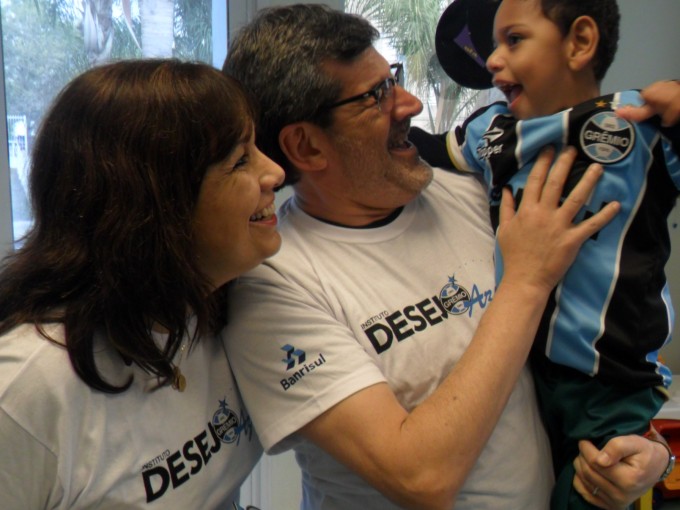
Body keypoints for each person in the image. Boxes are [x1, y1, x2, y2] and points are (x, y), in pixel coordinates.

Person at [221, 4, 673, 510]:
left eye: (392, 77)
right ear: (305, 147)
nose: (411, 104)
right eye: (377, 96)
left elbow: (578, 348)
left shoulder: (475, 197)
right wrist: (525, 282)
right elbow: (421, 479)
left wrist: (648, 451)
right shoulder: (273, 286)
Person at [410, 1, 679, 508]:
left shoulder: (640, 123)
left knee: (588, 493)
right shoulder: (490, 130)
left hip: (611, 382)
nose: (491, 59)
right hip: (525, 371)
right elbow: (426, 149)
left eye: (514, 40)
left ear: (579, 43)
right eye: (493, 44)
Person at [0, 59, 284, 509]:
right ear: (159, 206)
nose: (275, 173)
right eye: (240, 160)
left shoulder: (217, 304)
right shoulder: (26, 390)